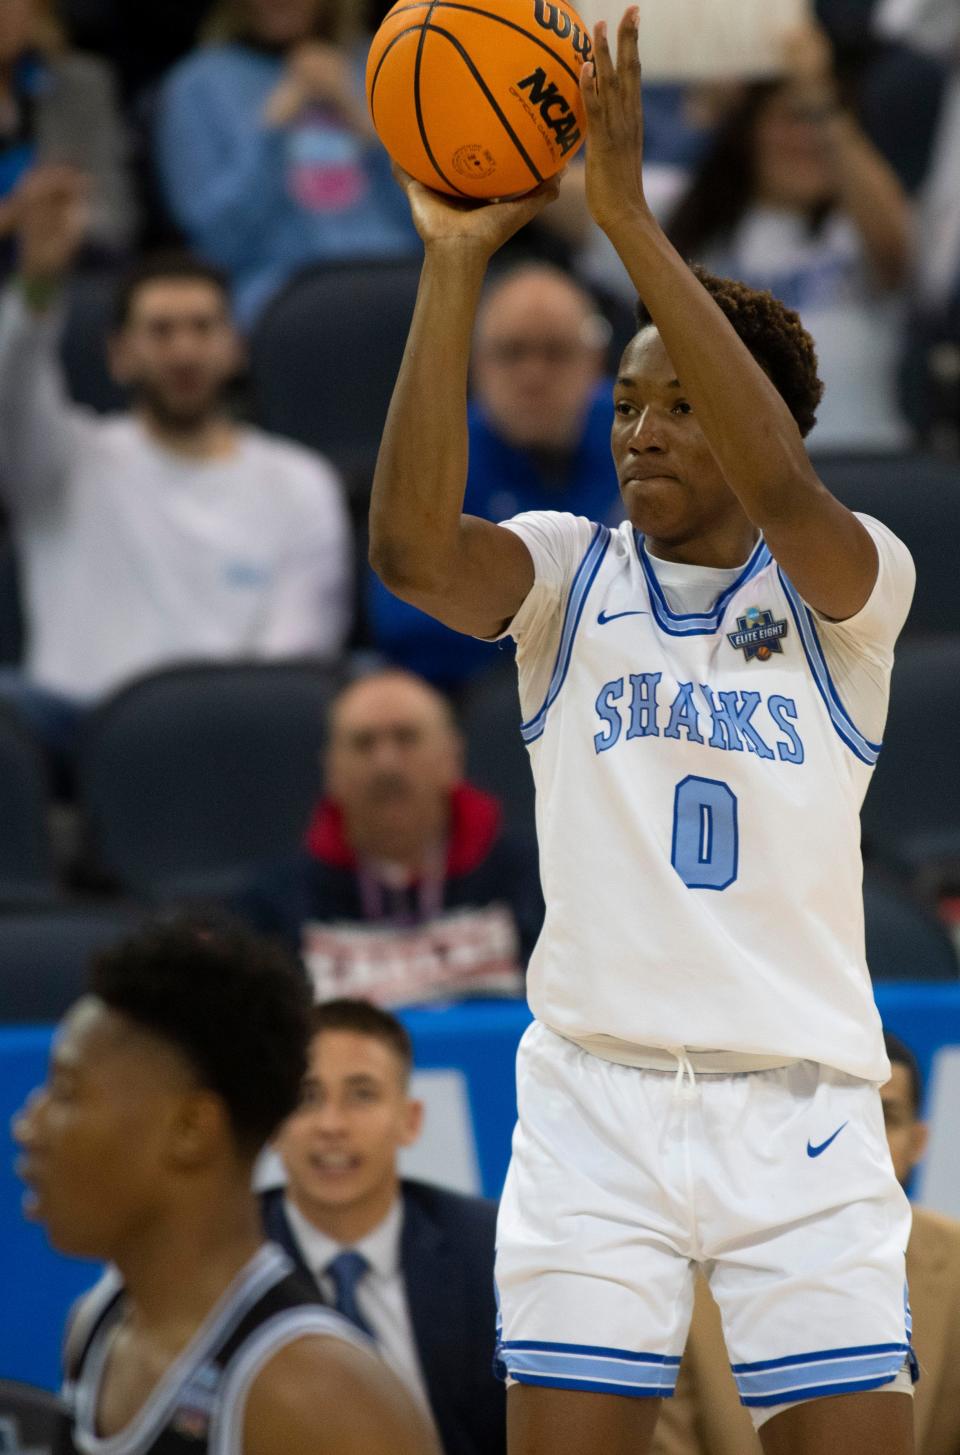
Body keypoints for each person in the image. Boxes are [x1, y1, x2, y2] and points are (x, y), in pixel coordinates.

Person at [369, 8, 918, 1452]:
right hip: (596, 1101)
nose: (642, 429)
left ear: (756, 423)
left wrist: (622, 219)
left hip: (797, 1104)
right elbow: (415, 555)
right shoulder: (566, 573)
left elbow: (788, 490)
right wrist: (452, 260)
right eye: (626, 404)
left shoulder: (849, 584)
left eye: (679, 402)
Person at [11, 918, 437, 1455]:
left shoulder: (319, 1397)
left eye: (67, 1093)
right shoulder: (96, 1325)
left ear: (190, 1130)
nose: (28, 1125)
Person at [0, 168, 351, 761]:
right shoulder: (61, 460)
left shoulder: (300, 481)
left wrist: (211, 724)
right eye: (160, 331)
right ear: (119, 355)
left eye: (202, 328)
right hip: (76, 733)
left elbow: (301, 649)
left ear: (234, 348)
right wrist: (36, 285)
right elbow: (14, 386)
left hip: (249, 733)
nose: (183, 349)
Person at [653, 1031, 960, 1455]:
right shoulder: (678, 1271)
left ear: (918, 1142)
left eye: (884, 1118)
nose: (857, 1142)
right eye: (838, 1119)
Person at [262, 997, 505, 1455]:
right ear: (273, 1122)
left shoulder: (490, 1251)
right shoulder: (226, 1263)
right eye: (307, 1097)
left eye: (362, 1094)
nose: (331, 1124)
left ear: (409, 1121)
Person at [366, 263, 618, 688]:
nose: (534, 375)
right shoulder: (434, 456)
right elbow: (401, 621)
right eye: (512, 353)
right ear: (476, 365)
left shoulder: (641, 437)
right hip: (468, 697)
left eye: (556, 352)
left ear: (594, 362)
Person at [666, 22, 914, 452]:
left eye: (816, 120)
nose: (806, 138)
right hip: (747, 479)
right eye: (789, 119)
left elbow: (901, 252)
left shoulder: (857, 228)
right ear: (748, 131)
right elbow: (585, 194)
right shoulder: (695, 223)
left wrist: (819, 96)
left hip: (869, 466)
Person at [239, 668, 543, 1006]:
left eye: (406, 738)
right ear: (331, 769)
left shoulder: (534, 882)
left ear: (452, 757)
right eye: (363, 743)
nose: (386, 764)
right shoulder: (273, 909)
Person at [154, 0, 420, 326]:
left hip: (401, 283)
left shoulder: (388, 62)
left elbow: (434, 218)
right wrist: (273, 130)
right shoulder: (198, 85)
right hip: (276, 298)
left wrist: (357, 113)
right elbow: (216, 242)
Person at [0, 0, 135, 274]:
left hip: (65, 271)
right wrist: (16, 213)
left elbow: (115, 214)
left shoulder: (81, 85)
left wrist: (67, 214)